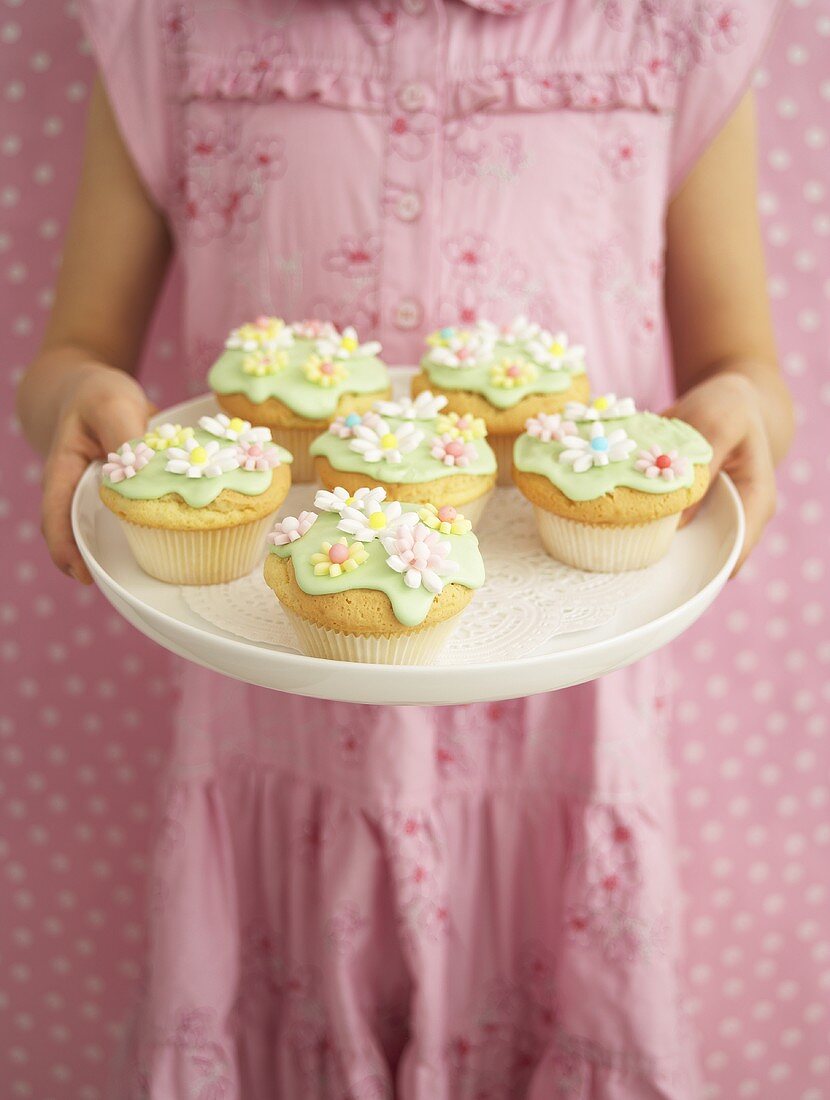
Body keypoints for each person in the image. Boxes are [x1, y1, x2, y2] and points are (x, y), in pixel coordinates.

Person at [17, 2, 792, 1097]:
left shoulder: (666, 25)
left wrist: (739, 410)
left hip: (561, 711)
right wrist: (73, 404)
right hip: (273, 694)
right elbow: (73, 353)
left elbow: (743, 363)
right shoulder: (172, 25)